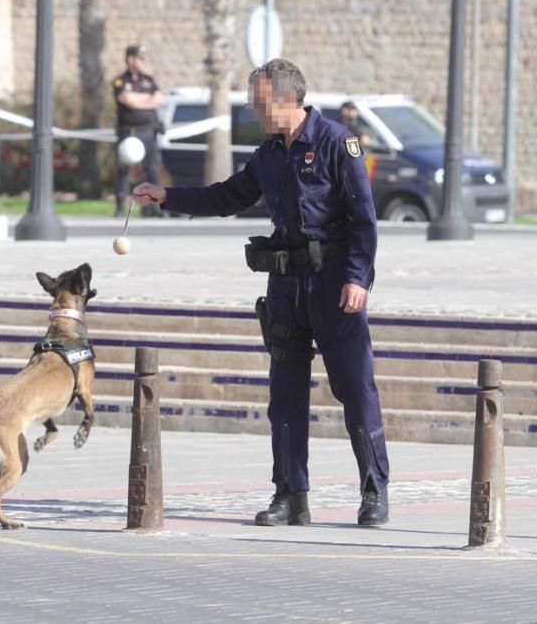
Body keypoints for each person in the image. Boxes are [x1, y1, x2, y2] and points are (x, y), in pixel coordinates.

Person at [133, 58, 390, 527]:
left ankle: (374, 490)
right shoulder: (269, 153)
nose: (254, 111)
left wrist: (358, 278)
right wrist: (168, 196)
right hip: (286, 284)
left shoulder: (336, 143)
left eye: (260, 102)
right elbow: (225, 197)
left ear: (288, 99)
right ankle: (291, 495)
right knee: (285, 395)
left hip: (334, 283)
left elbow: (363, 220)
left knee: (355, 388)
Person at [112, 44, 165, 217]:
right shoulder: (120, 81)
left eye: (144, 58)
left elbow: (159, 99)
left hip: (149, 132)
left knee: (153, 169)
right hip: (129, 132)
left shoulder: (149, 80)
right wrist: (147, 99)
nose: (143, 61)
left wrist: (139, 101)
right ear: (130, 60)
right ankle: (121, 206)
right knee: (123, 169)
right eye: (139, 58)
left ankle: (154, 207)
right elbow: (127, 99)